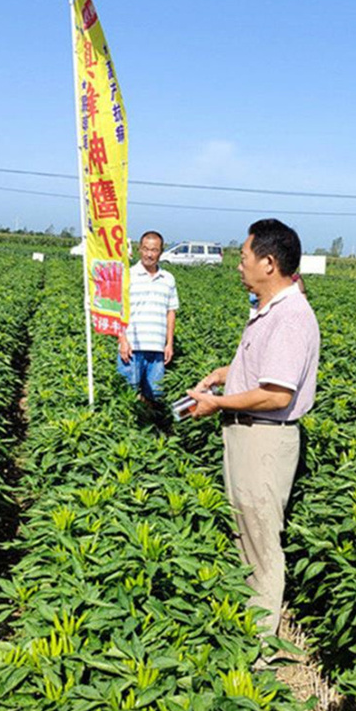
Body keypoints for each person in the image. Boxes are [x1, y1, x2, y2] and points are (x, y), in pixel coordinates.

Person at [186, 219, 320, 636]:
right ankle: (246, 630)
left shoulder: (292, 316)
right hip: (249, 436)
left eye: (243, 257)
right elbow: (264, 371)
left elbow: (277, 394)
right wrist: (223, 374)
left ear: (268, 262)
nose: (238, 265)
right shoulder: (271, 311)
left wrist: (217, 403)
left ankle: (258, 649)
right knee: (246, 537)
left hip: (263, 440)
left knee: (261, 546)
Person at [117, 231, 179, 401]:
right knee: (128, 396)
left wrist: (169, 344)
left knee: (155, 395)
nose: (149, 254)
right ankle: (132, 426)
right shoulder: (127, 275)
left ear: (161, 252)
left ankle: (150, 425)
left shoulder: (168, 279)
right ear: (139, 249)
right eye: (145, 249)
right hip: (131, 348)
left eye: (154, 250)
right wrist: (122, 341)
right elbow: (118, 310)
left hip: (157, 349)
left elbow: (171, 312)